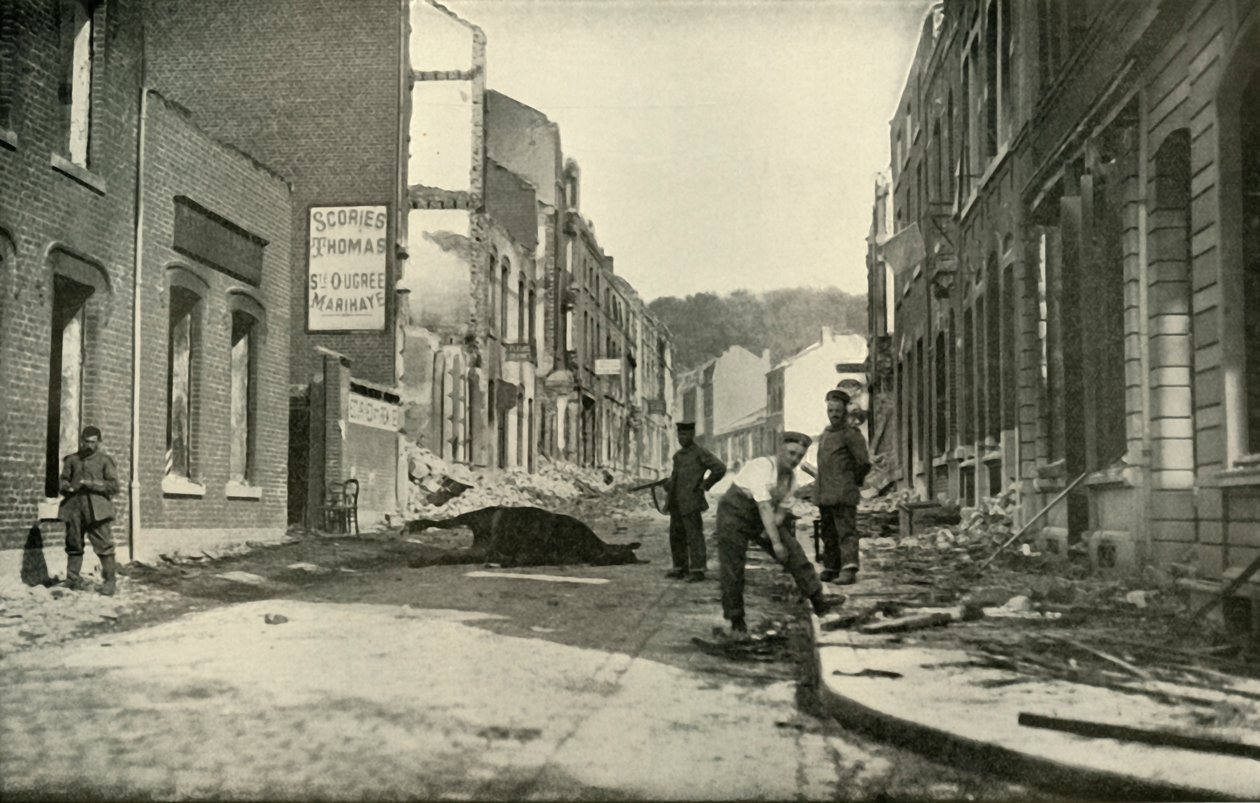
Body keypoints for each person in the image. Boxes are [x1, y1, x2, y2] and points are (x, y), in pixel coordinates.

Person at [716, 432, 842, 638]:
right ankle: (736, 620)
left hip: (760, 516)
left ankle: (819, 600)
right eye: (791, 453)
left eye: (799, 456)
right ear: (780, 450)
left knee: (793, 550)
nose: (794, 459)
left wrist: (776, 540)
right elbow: (764, 506)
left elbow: (778, 515)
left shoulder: (791, 481)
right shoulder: (762, 467)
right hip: (734, 511)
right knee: (733, 565)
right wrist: (775, 545)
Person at [807, 389, 872, 585]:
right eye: (830, 410)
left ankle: (849, 569)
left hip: (843, 492)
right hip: (825, 493)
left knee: (846, 531)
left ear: (844, 411)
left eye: (837, 410)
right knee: (828, 531)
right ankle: (832, 566)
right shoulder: (826, 434)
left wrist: (850, 482)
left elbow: (863, 463)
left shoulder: (851, 434)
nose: (833, 414)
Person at [58, 426, 121, 596]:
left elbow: (114, 486)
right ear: (81, 441)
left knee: (104, 546)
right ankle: (72, 579)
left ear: (99, 442)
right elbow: (62, 481)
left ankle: (109, 581)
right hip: (75, 508)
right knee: (73, 544)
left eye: (93, 442)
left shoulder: (105, 461)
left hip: (97, 509)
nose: (90, 446)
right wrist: (68, 487)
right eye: (86, 442)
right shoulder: (71, 460)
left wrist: (92, 484)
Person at [663, 422, 726, 582]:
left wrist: (705, 485)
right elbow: (676, 476)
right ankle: (680, 567)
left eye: (685, 434)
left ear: (692, 435)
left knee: (694, 536)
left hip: (691, 500)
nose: (681, 438)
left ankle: (698, 570)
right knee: (676, 535)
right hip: (676, 501)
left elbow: (719, 468)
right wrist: (669, 483)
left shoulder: (700, 453)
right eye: (679, 435)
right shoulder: (678, 456)